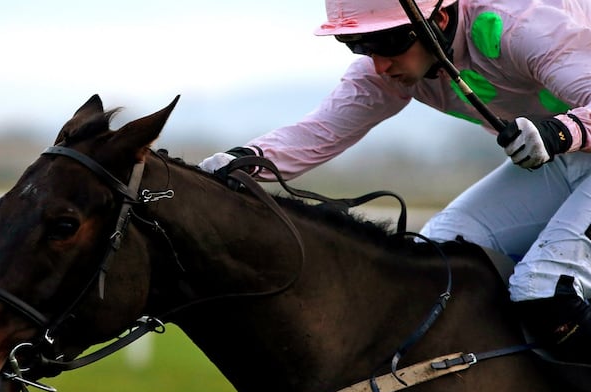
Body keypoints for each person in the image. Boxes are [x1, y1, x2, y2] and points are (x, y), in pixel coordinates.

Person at [199, 0, 591, 364]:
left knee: (543, 292)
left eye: (386, 42)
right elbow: (322, 131)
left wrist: (561, 132)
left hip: (571, 149)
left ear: (438, 20)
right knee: (436, 264)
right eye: (359, 45)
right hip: (573, 158)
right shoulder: (391, 68)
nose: (380, 64)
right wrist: (244, 162)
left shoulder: (522, 30)